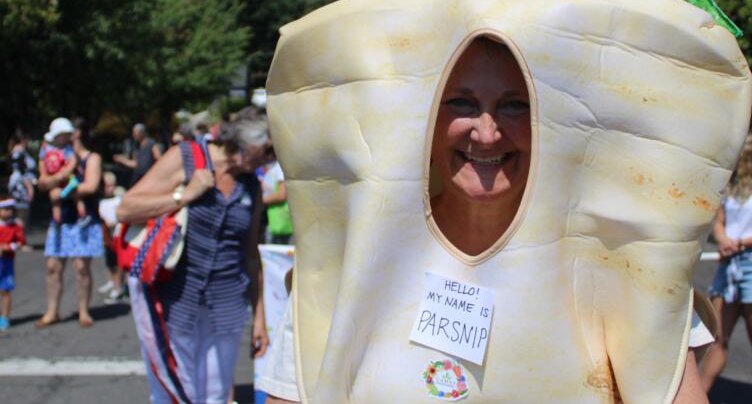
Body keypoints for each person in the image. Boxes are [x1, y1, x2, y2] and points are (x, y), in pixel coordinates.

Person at [261, 37, 715, 404]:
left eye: (515, 105)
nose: (487, 131)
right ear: (425, 121)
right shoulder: (348, 269)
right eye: (460, 103)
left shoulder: (625, 268)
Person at [117, 113, 270, 404]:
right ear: (248, 139)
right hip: (175, 299)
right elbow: (126, 209)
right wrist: (184, 197)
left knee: (215, 394)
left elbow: (250, 256)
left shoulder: (251, 185)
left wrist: (259, 319)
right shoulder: (186, 156)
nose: (271, 160)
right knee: (173, 392)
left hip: (227, 304)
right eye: (269, 150)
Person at [36, 117, 104, 328]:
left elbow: (91, 186)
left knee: (81, 267)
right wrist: (57, 182)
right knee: (53, 266)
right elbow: (42, 183)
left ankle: (84, 311)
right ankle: (52, 311)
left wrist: (60, 189)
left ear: (78, 133)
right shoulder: (52, 154)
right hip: (61, 219)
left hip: (83, 219)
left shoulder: (91, 158)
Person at [699, 136, 752, 392]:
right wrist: (723, 239)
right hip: (729, 266)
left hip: (750, 266)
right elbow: (718, 223)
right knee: (717, 339)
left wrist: (740, 243)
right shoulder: (731, 190)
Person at [0, 194, 25, 332]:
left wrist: (8, 247)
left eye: (10, 208)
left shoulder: (15, 225)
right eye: (5, 209)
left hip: (7, 262)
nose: (8, 211)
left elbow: (21, 242)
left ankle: (4, 317)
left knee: (5, 290)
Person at [39, 117, 86, 226]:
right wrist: (43, 175)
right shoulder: (46, 148)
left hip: (67, 180)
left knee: (76, 197)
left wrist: (65, 173)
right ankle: (57, 219)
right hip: (54, 179)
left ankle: (82, 214)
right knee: (54, 199)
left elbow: (73, 161)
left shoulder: (68, 149)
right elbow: (42, 162)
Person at [98, 171, 126, 303]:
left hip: (117, 236)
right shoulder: (101, 202)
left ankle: (118, 288)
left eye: (110, 186)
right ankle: (112, 283)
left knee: (118, 264)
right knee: (109, 262)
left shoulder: (118, 200)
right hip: (107, 237)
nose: (108, 189)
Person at [7, 129, 36, 240]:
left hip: (22, 184)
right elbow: (21, 171)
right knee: (21, 213)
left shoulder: (20, 152)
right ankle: (19, 239)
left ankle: (20, 238)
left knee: (23, 213)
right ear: (24, 139)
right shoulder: (19, 152)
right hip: (21, 186)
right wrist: (29, 187)